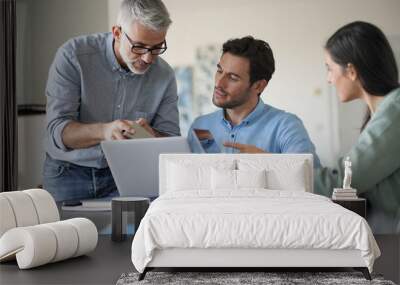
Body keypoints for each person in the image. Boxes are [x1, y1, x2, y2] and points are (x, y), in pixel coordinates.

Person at [43, 0, 180, 202]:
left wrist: (151, 137)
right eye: (139, 47)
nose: (148, 59)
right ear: (117, 33)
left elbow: (170, 141)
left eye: (157, 47)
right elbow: (57, 131)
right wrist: (105, 132)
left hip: (127, 174)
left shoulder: (165, 75)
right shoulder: (74, 56)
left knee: (128, 234)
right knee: (66, 234)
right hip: (68, 174)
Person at [314, 21, 400, 234]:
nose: (329, 79)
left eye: (329, 69)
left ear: (351, 71)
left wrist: (282, 175)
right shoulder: (383, 112)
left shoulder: (395, 111)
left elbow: (346, 179)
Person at [188, 36, 320, 166]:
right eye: (219, 71)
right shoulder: (200, 126)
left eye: (233, 77)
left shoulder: (286, 126)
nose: (219, 83)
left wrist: (268, 162)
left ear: (258, 86)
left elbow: (312, 180)